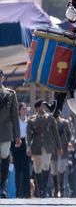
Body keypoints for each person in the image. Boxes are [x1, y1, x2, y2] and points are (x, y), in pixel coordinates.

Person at [27, 99, 62, 198]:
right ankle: (41, 188)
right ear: (37, 108)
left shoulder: (50, 119)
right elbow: (28, 135)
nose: (44, 107)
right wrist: (28, 147)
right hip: (36, 147)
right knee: (37, 168)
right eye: (42, 105)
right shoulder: (31, 120)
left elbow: (55, 134)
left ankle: (44, 188)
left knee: (46, 165)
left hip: (48, 146)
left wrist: (59, 147)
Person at [0, 70, 20, 198]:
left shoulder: (11, 94)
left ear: (2, 78)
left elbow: (15, 116)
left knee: (5, 156)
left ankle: (2, 185)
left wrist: (17, 135)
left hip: (6, 132)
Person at [50, 113, 72, 197]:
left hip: (62, 149)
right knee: (54, 170)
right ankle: (56, 189)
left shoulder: (64, 123)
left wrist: (68, 142)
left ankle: (61, 188)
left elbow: (69, 134)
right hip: (53, 150)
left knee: (61, 168)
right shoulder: (50, 122)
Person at [11, 102, 30, 198]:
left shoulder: (29, 121)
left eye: (26, 109)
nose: (25, 110)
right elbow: (12, 136)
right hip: (17, 144)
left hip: (26, 146)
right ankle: (18, 192)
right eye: (23, 109)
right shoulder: (16, 121)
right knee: (18, 170)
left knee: (26, 170)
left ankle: (27, 192)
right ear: (19, 110)